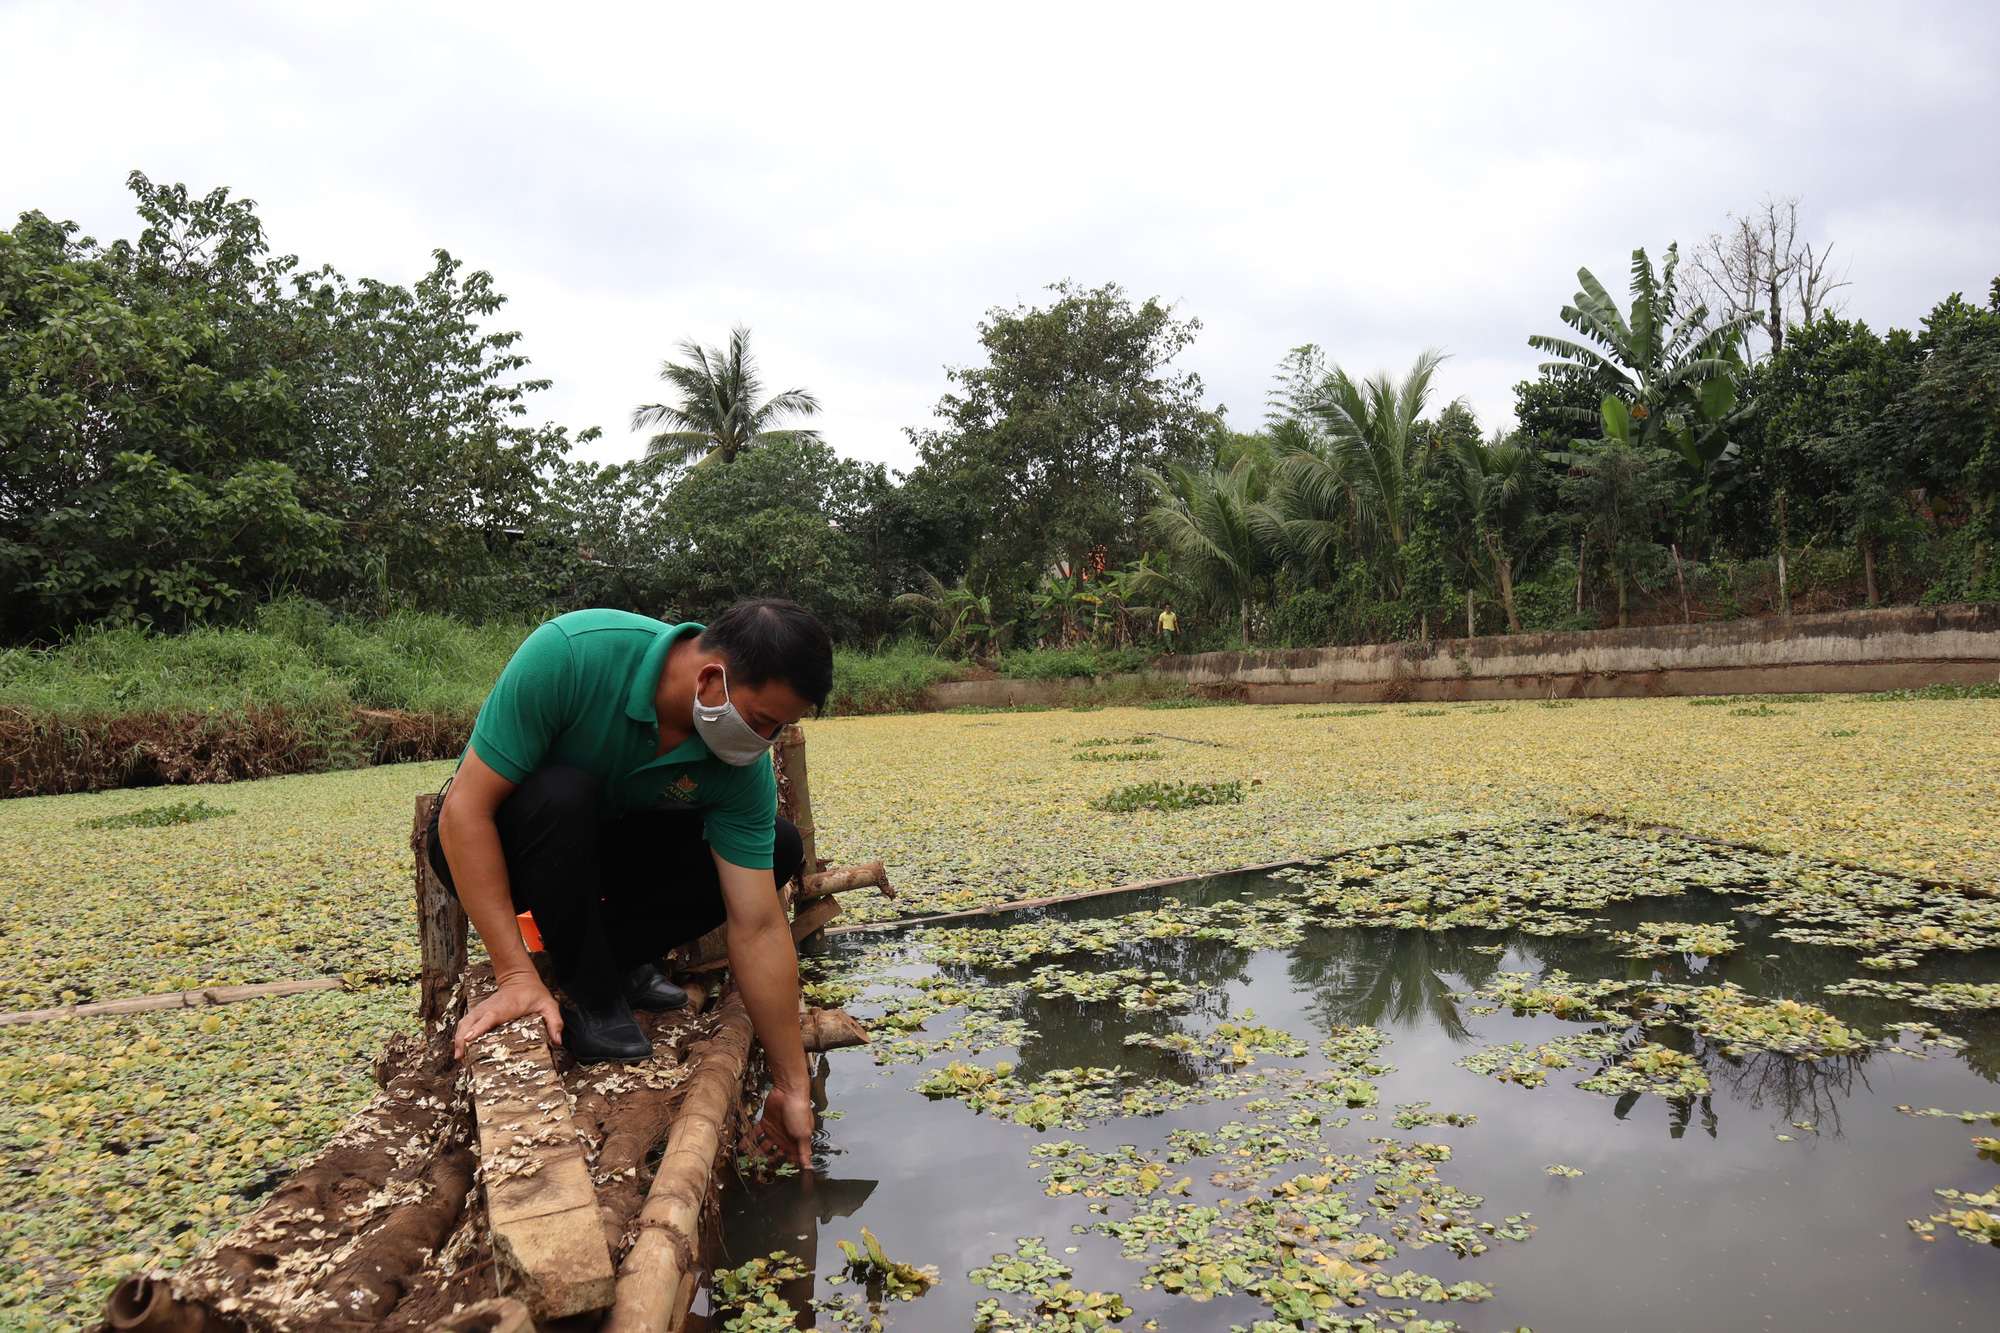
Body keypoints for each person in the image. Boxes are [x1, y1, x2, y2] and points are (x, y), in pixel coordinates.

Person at [430, 597, 830, 1166]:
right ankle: (590, 994)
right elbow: (463, 814)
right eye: (763, 720)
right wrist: (515, 973)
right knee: (563, 794)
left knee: (779, 847)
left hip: (600, 852)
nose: (765, 740)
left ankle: (616, 958)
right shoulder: (571, 655)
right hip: (503, 841)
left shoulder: (739, 765)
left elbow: (760, 925)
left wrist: (792, 1084)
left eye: (780, 727)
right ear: (712, 679)